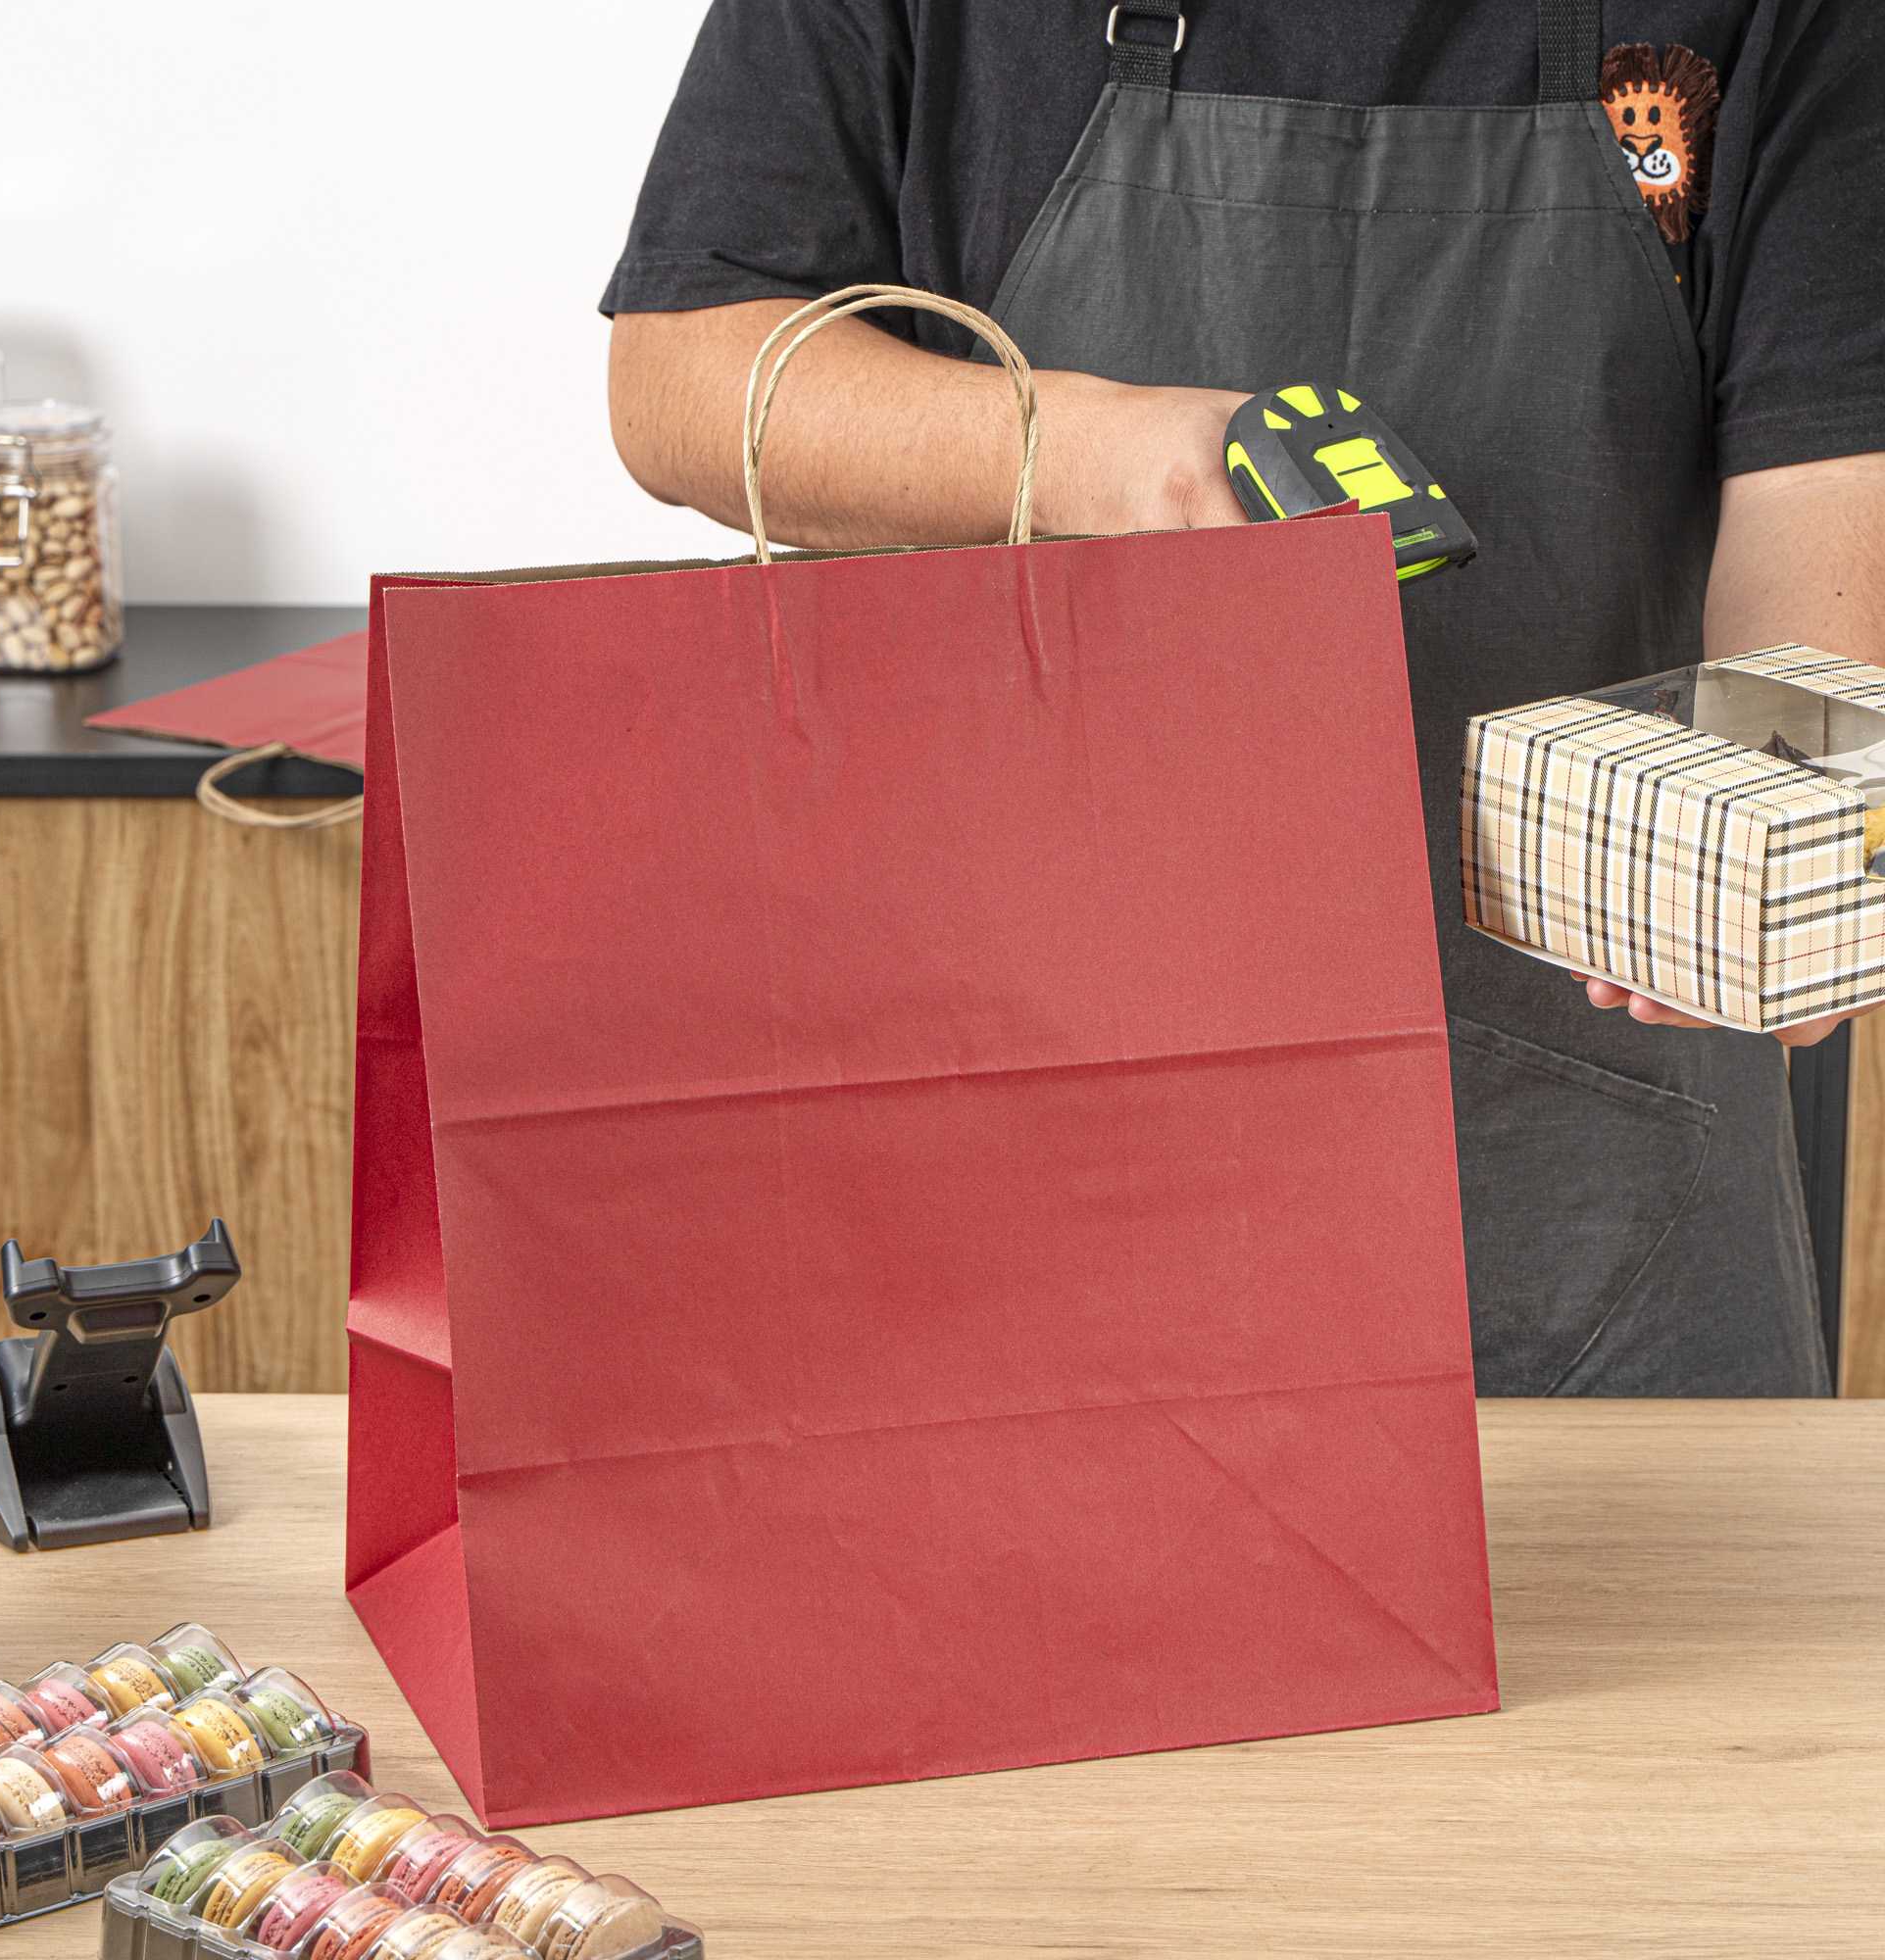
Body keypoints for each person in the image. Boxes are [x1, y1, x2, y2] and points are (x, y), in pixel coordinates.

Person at [603, 1, 1885, 1396]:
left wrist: (1793, 829)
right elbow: (683, 375)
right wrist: (1109, 459)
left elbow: (1830, 468)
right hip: (1008, 1137)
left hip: (1596, 1191)